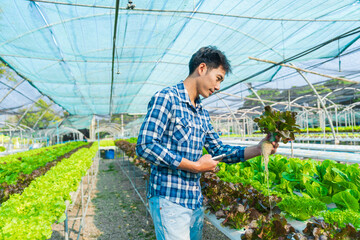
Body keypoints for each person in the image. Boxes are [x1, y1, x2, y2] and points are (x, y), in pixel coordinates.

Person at [136, 46, 279, 240]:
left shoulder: (202, 113)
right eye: (218, 78)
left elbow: (219, 150)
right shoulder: (167, 98)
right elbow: (145, 145)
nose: (218, 87)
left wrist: (259, 148)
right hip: (169, 200)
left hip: (194, 201)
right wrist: (195, 166)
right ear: (202, 68)